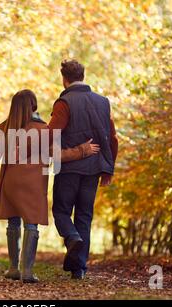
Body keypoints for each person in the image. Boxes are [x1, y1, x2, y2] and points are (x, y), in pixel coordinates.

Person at [0, 89, 99, 283]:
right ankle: (27, 271)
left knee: (13, 222)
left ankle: (13, 268)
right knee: (31, 224)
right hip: (33, 184)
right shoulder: (43, 130)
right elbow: (58, 155)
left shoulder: (5, 127)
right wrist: (82, 150)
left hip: (11, 183)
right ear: (34, 106)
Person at [49, 60, 119, 279]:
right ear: (83, 75)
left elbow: (50, 134)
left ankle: (71, 238)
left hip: (69, 168)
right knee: (84, 217)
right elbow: (113, 138)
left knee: (60, 211)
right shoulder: (103, 102)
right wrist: (108, 169)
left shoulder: (64, 103)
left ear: (64, 78)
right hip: (94, 169)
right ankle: (78, 269)